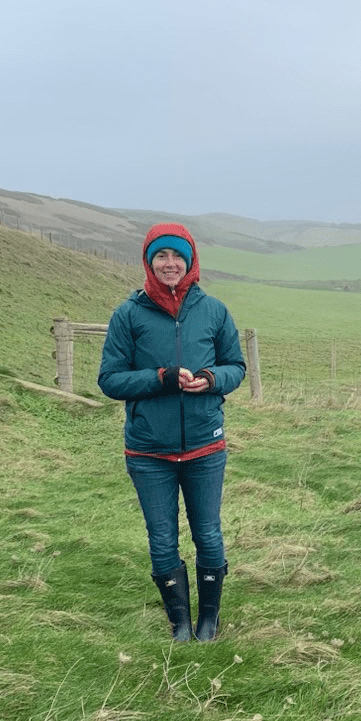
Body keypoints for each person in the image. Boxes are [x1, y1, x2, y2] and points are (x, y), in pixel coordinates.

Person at [97, 222, 246, 642]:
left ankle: (208, 622)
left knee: (209, 533)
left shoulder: (214, 311)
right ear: (148, 262)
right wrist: (161, 377)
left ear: (191, 261)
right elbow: (110, 380)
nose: (170, 264)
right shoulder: (128, 315)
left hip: (204, 444)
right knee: (162, 537)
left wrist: (213, 379)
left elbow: (236, 366)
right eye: (161, 256)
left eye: (178, 256)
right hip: (149, 452)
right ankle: (179, 623)